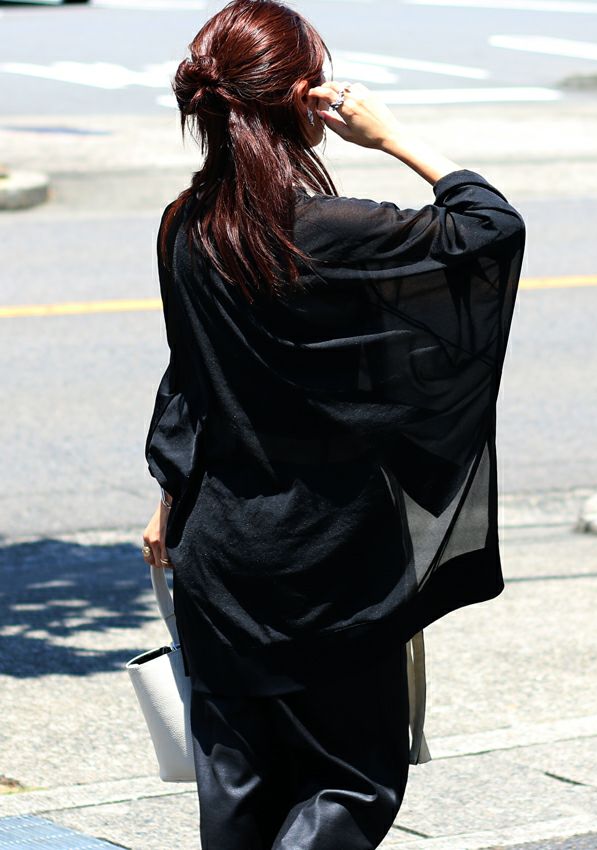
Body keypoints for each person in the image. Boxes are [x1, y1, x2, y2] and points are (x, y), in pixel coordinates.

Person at [139, 1, 525, 847]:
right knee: (349, 781)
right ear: (300, 97)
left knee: (237, 788)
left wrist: (168, 498)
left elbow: (188, 378)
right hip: (334, 554)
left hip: (220, 548)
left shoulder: (185, 223)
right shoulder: (337, 231)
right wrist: (392, 137)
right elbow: (490, 227)